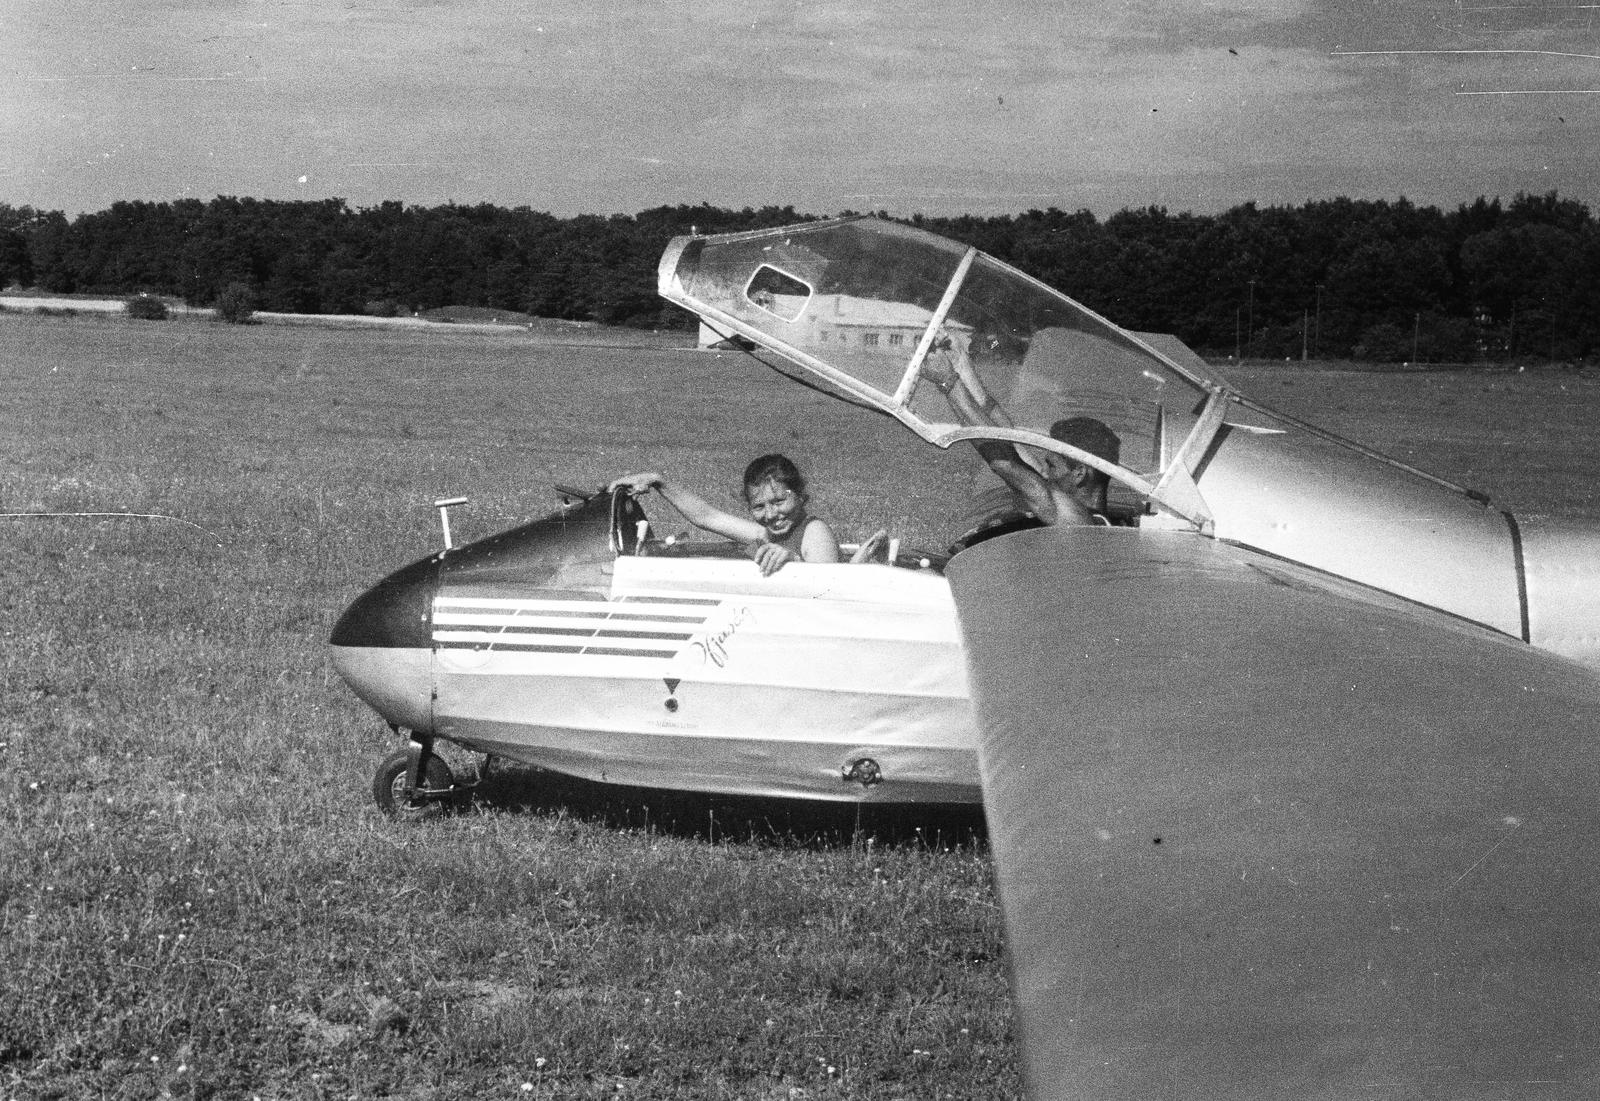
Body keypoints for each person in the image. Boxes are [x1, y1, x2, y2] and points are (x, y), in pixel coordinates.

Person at [608, 453, 887, 576]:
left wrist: (794, 560)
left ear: (800, 497)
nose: (771, 514)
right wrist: (659, 482)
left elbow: (830, 591)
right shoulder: (765, 534)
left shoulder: (814, 532)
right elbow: (707, 517)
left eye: (780, 501)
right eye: (759, 507)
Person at [972, 416, 1121, 526]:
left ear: (1079, 473)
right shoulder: (1076, 509)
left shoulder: (1082, 523)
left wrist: (949, 384)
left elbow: (1004, 465)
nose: (1044, 471)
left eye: (1051, 466)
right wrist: (958, 378)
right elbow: (1015, 448)